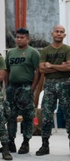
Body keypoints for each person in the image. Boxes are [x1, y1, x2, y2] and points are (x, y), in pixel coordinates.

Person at [0, 28, 40, 154]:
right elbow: (7, 70)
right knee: (10, 116)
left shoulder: (33, 53)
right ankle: (10, 142)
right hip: (12, 88)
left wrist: (32, 88)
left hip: (26, 87)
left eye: (22, 37)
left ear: (27, 39)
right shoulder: (11, 53)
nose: (19, 39)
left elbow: (38, 71)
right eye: (17, 37)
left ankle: (25, 143)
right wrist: (7, 85)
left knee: (27, 116)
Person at [36, 25, 70, 156]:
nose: (59, 34)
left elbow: (69, 68)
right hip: (49, 85)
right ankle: (45, 145)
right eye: (57, 31)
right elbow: (42, 69)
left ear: (64, 35)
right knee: (46, 115)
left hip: (65, 84)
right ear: (52, 34)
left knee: (69, 115)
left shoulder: (68, 49)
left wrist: (51, 65)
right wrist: (61, 66)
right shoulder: (45, 50)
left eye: (62, 32)